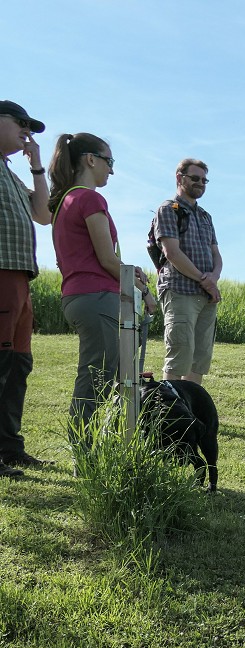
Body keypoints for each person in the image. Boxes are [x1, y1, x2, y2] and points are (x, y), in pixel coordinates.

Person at [49, 133, 156, 434]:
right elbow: (107, 259)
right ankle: (83, 450)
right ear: (90, 159)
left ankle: (103, 441)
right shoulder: (90, 198)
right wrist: (143, 290)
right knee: (98, 376)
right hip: (97, 297)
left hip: (77, 297)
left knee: (109, 374)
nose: (111, 169)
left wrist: (131, 273)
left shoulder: (63, 202)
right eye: (109, 161)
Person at [0, 101, 52, 477]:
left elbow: (43, 214)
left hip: (19, 277)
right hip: (1, 272)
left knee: (17, 365)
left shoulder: (10, 173)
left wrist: (35, 165)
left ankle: (9, 447)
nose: (26, 131)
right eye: (19, 123)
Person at [151, 158, 221, 383]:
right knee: (179, 353)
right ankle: (170, 413)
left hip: (206, 295)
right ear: (180, 178)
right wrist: (204, 279)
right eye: (195, 178)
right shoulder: (168, 209)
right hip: (179, 290)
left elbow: (216, 254)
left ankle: (189, 412)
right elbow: (172, 253)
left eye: (204, 180)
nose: (200, 183)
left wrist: (213, 278)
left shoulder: (205, 216)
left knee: (199, 359)